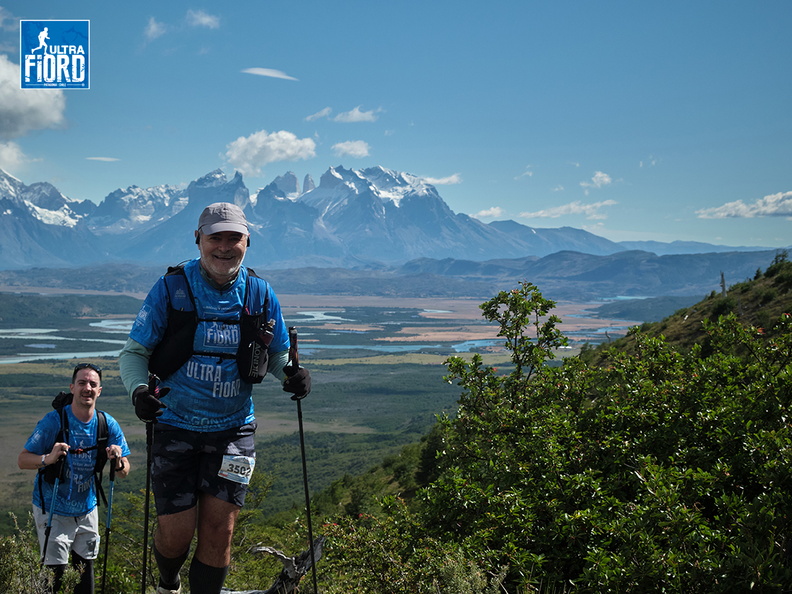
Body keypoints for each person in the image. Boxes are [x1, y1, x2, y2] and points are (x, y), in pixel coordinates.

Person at [118, 202, 311, 594]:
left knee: (220, 531)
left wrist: (292, 375)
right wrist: (140, 392)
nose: (224, 247)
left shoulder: (259, 293)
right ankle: (168, 582)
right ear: (198, 240)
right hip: (174, 424)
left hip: (234, 430)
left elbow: (275, 355)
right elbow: (134, 354)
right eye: (215, 238)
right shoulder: (171, 288)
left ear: (247, 242)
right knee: (176, 533)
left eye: (233, 238)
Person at [18, 362, 131, 594]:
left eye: (92, 384)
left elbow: (124, 471)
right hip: (53, 508)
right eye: (82, 383)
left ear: (99, 391)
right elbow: (23, 459)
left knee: (85, 572)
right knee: (54, 577)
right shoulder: (53, 421)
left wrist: (117, 460)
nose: (87, 388)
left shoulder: (107, 423)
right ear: (72, 387)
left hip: (87, 508)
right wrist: (48, 458)